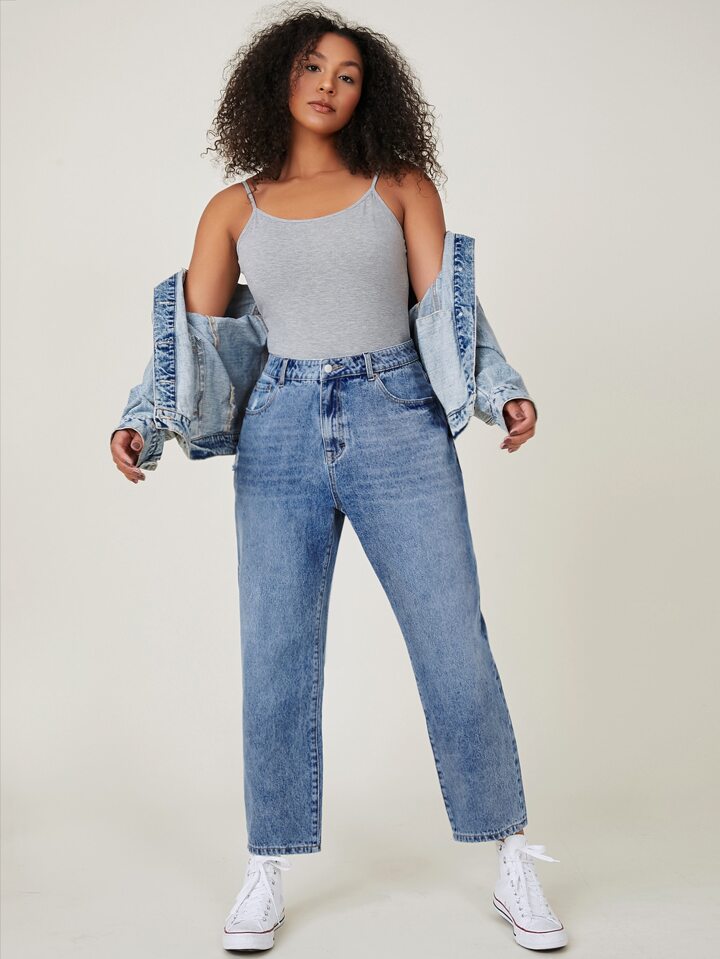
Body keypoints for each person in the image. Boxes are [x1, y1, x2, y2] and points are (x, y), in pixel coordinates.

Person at [110, 4, 567, 952]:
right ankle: (265, 866)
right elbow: (197, 343)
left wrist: (502, 390)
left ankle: (510, 855)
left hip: (398, 418)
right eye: (312, 67)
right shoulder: (233, 209)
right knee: (274, 651)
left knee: (453, 641)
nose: (327, 84)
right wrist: (141, 420)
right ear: (277, 79)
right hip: (280, 429)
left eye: (348, 74)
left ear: (369, 94)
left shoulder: (399, 185)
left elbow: (448, 312)